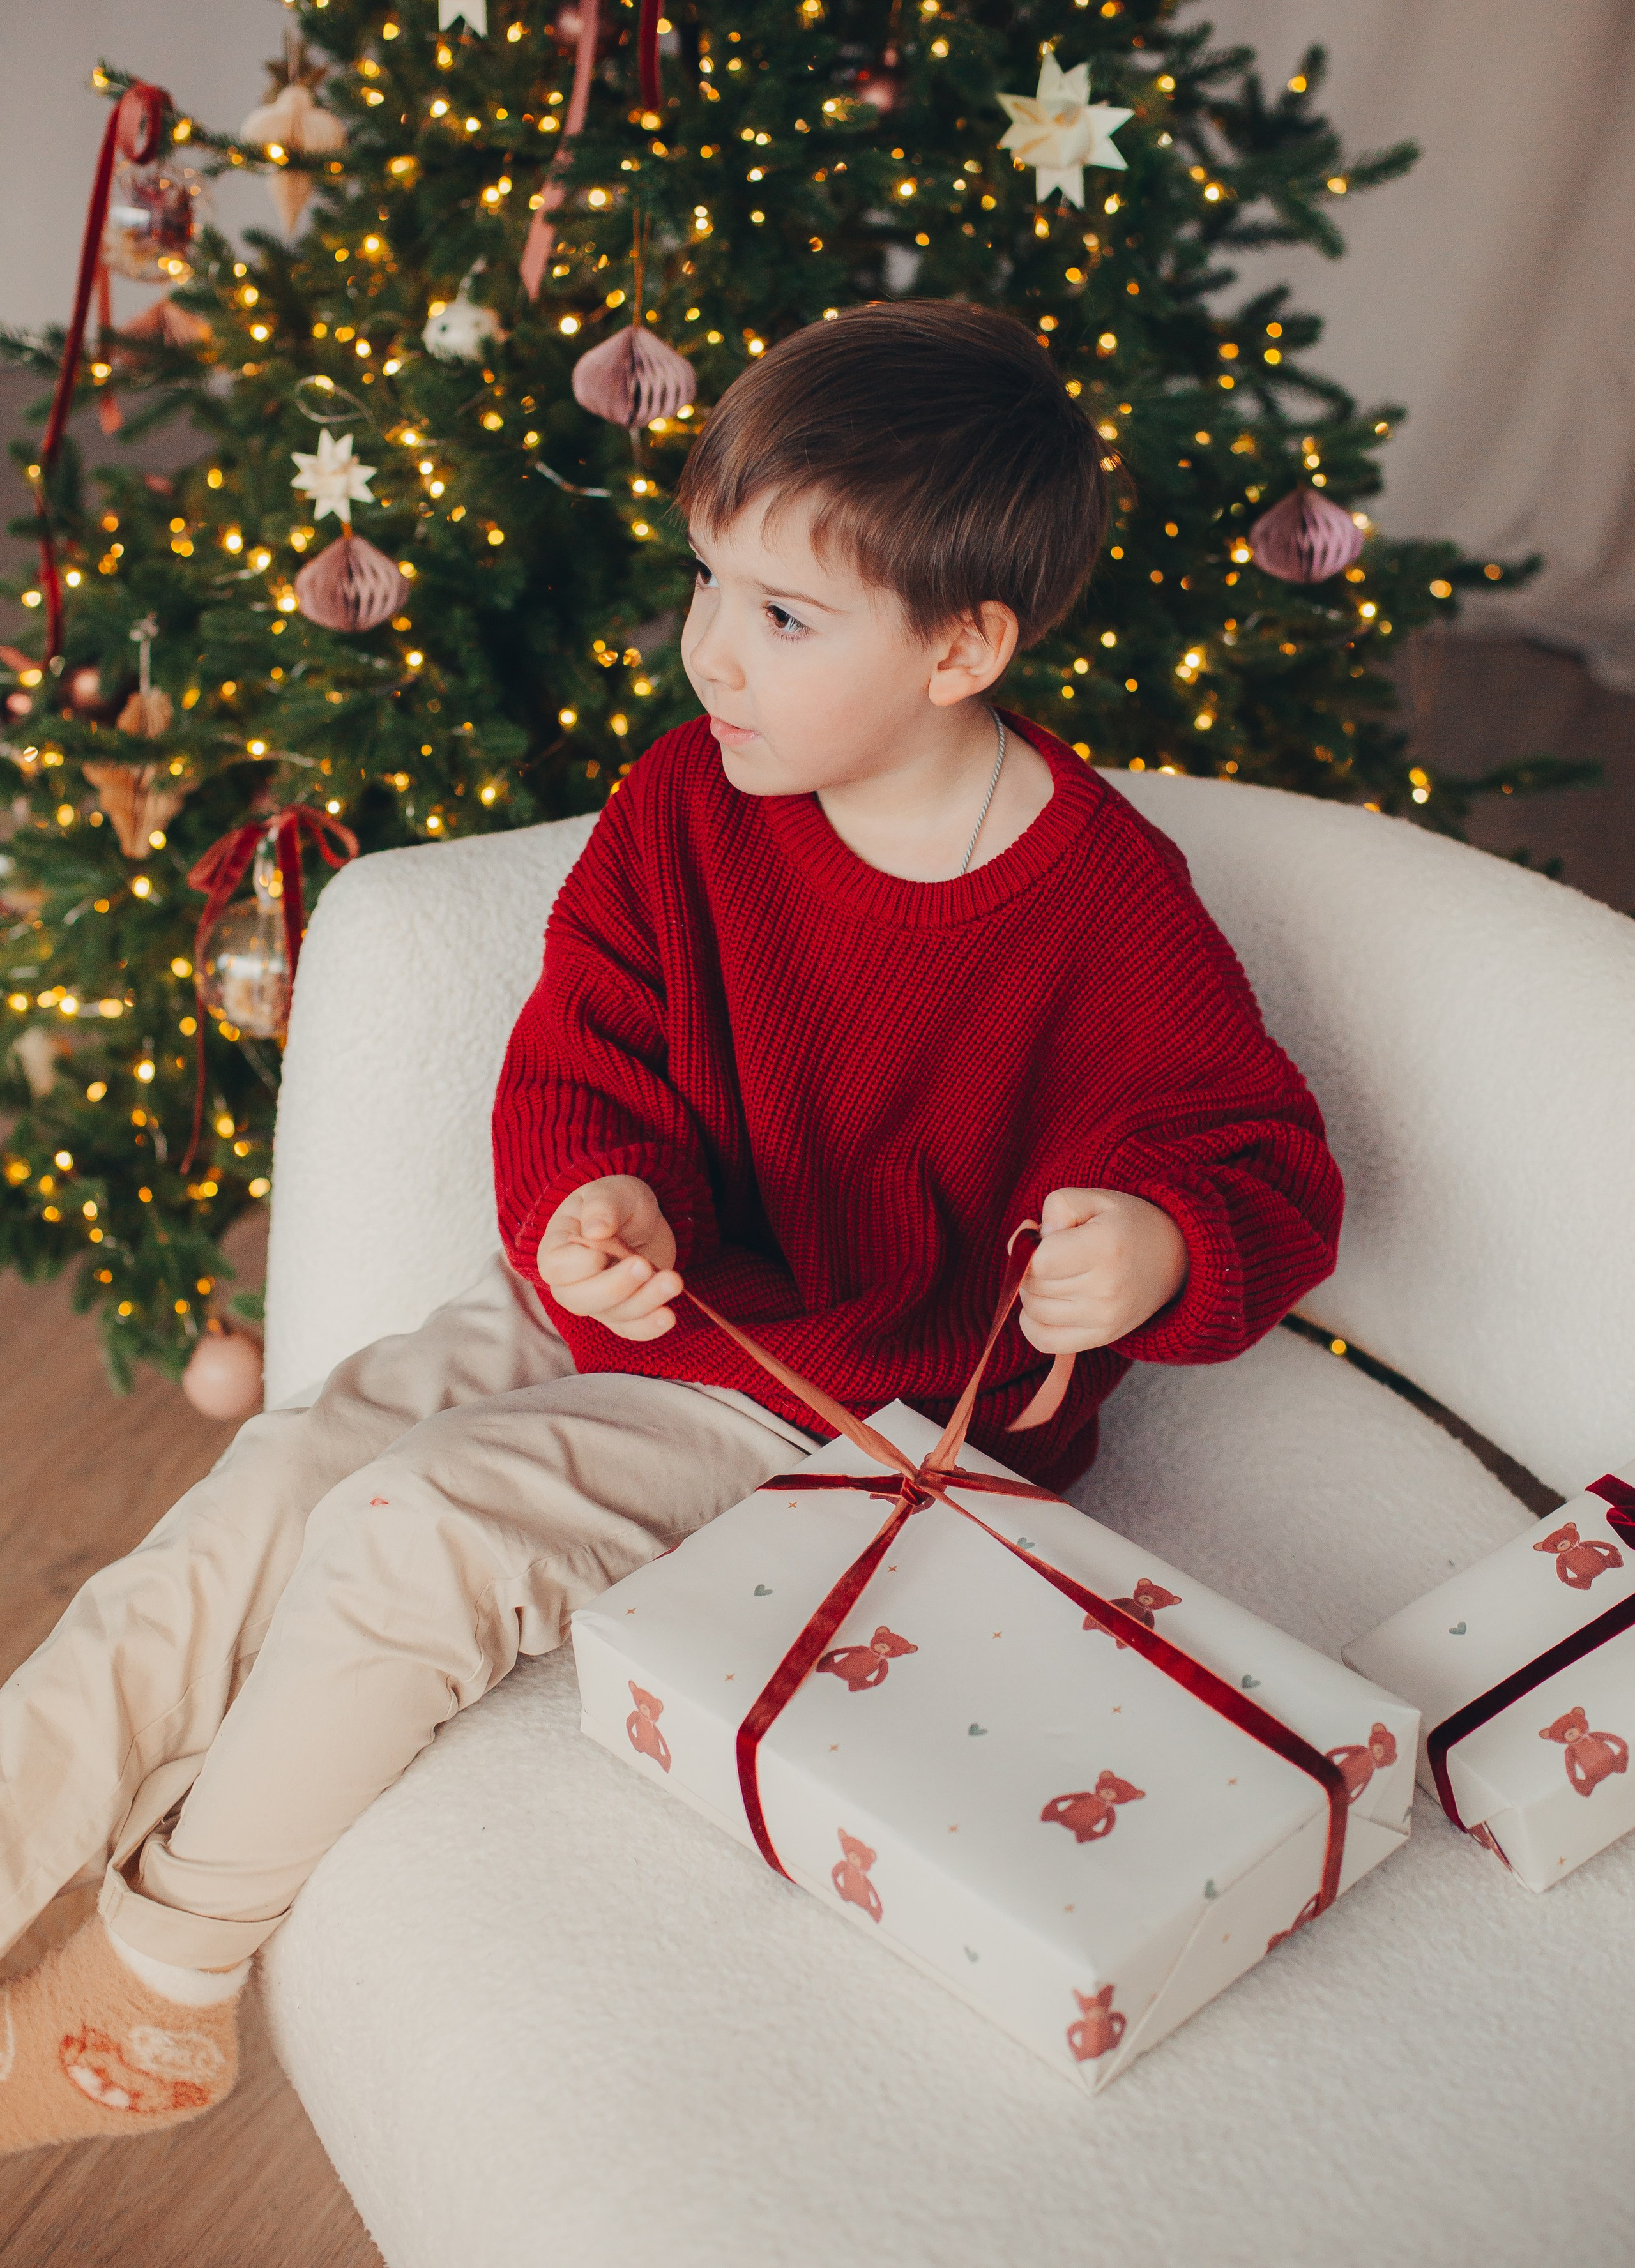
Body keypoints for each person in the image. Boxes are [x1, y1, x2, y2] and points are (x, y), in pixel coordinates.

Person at [0, 302, 1341, 2152]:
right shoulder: (692, 795)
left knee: (415, 1531)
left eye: (785, 616)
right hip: (633, 1300)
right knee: (273, 1484)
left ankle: (163, 1978)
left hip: (831, 1406)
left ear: (962, 647)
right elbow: (588, 1046)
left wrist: (1166, 1245)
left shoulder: (1105, 906)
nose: (710, 647)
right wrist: (593, 1197)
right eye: (708, 577)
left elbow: (1261, 1155)